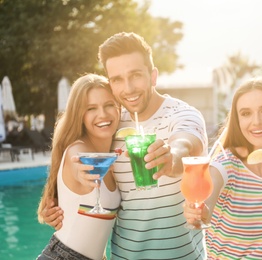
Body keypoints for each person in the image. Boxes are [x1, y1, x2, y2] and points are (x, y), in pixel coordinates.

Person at [42, 32, 208, 259]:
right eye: (117, 79)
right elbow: (74, 150)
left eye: (136, 75)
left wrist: (172, 157)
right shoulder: (110, 124)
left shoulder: (183, 114)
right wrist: (59, 202)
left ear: (153, 76)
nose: (128, 88)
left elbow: (186, 143)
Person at [183, 78, 262, 259]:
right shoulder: (227, 163)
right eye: (246, 113)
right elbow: (210, 189)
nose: (257, 121)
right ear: (238, 120)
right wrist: (201, 210)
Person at [37, 73, 121, 259]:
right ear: (79, 115)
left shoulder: (115, 152)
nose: (103, 114)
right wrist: (82, 171)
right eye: (91, 108)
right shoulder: (78, 150)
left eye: (109, 105)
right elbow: (77, 161)